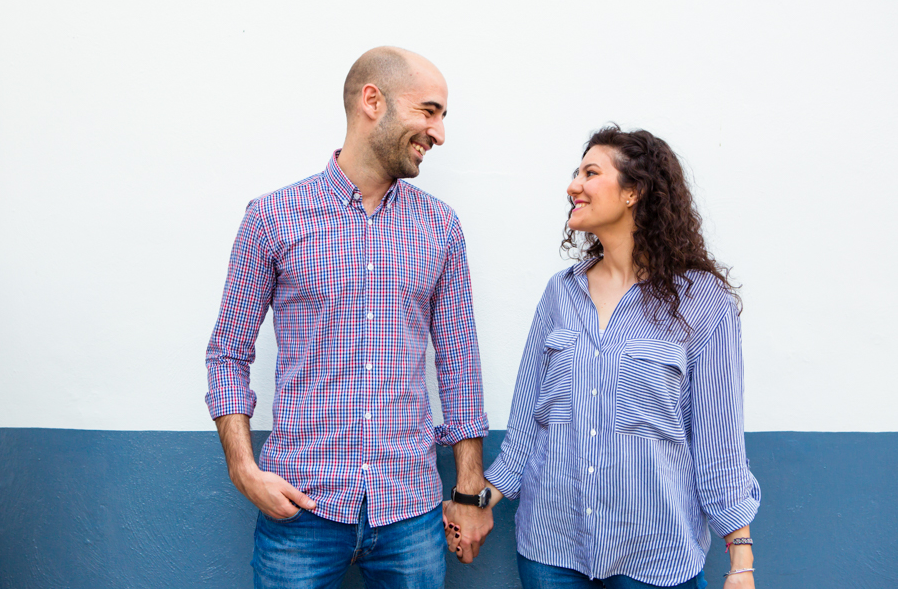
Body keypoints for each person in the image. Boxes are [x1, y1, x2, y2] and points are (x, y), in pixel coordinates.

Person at [205, 46, 493, 589]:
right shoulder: (272, 217)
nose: (439, 132)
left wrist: (468, 493)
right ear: (372, 100)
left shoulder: (441, 228)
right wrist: (244, 469)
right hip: (301, 508)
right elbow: (228, 353)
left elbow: (460, 367)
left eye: (442, 116)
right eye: (429, 111)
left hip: (411, 511)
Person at [447, 125, 760, 588]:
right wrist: (471, 503)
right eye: (577, 172)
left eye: (590, 173)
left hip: (655, 556)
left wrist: (741, 563)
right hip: (551, 550)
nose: (574, 185)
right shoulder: (560, 294)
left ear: (633, 192)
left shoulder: (702, 304)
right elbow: (528, 425)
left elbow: (718, 444)